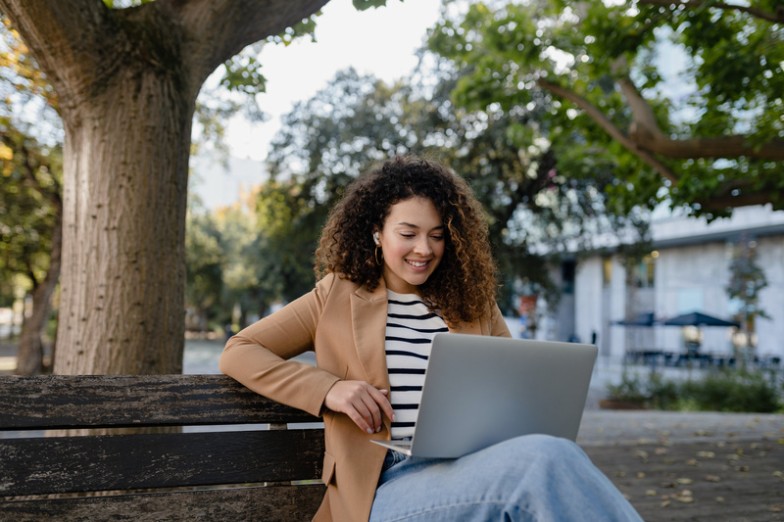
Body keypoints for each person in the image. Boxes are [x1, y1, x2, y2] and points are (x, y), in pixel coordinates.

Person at [220, 156, 642, 522]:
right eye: (408, 234)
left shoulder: (475, 305)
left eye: (437, 235)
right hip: (381, 491)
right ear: (377, 231)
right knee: (543, 463)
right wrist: (329, 389)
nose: (424, 249)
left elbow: (513, 399)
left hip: (472, 472)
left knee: (554, 456)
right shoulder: (336, 296)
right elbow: (240, 350)